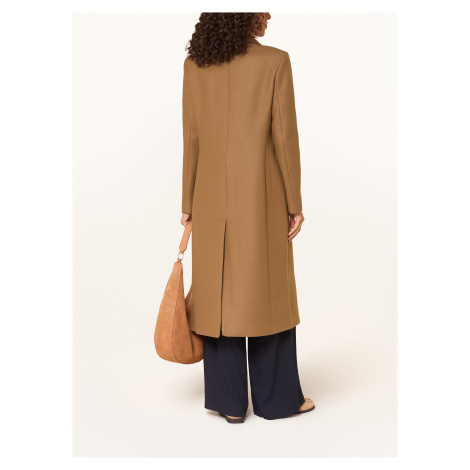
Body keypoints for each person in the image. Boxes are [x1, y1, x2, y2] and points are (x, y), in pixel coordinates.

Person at [180, 13, 314, 423]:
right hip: (262, 194)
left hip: (208, 195)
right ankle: (277, 400)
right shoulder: (274, 61)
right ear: (245, 15)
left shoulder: (195, 65)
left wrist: (188, 202)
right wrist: (294, 202)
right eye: (262, 7)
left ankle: (229, 402)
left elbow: (191, 136)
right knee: (268, 290)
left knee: (216, 294)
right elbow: (284, 137)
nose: (268, 14)